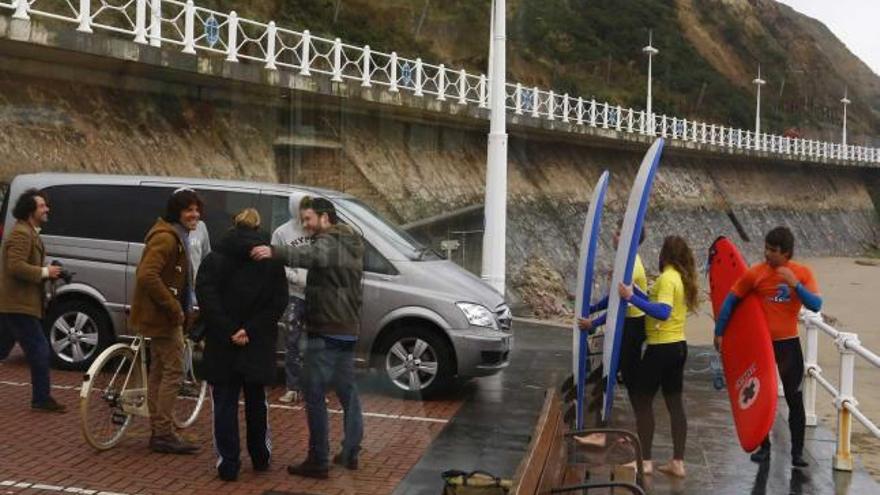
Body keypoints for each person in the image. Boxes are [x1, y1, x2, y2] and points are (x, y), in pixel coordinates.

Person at [251, 196, 364, 479]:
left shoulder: (330, 241)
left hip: (327, 329)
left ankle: (318, 458)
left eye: (309, 219)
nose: (305, 225)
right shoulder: (351, 240)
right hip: (347, 329)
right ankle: (350, 450)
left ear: (325, 218)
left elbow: (311, 256)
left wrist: (273, 251)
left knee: (314, 395)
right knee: (347, 392)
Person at [581, 235, 698, 477]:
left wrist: (631, 298)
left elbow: (663, 312)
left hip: (661, 349)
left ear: (664, 255)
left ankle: (644, 461)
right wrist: (637, 294)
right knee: (674, 404)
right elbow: (657, 304)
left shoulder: (667, 278)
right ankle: (678, 462)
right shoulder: (680, 278)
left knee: (642, 401)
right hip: (678, 347)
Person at [714, 226, 821, 468]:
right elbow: (731, 301)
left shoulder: (802, 273)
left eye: (773, 250)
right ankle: (764, 448)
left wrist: (796, 286)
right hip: (760, 346)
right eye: (766, 248)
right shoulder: (756, 273)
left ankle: (797, 453)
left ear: (786, 253)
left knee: (795, 398)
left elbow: (815, 305)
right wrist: (720, 332)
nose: (767, 253)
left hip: (788, 345)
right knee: (759, 395)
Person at [196, 208, 287, 481]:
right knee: (257, 401)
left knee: (224, 402)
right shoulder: (270, 261)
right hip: (257, 340)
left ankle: (228, 463)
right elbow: (277, 303)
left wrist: (230, 329)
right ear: (258, 227)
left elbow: (207, 299)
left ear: (234, 225)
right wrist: (250, 329)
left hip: (223, 341)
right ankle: (260, 456)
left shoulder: (215, 258)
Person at [129, 187, 203, 455]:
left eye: (196, 210)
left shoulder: (175, 235)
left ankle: (159, 429)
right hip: (162, 317)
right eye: (188, 210)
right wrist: (173, 307)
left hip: (162, 316)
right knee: (173, 371)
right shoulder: (167, 239)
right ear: (177, 213)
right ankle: (162, 432)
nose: (194, 214)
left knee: (159, 371)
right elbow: (147, 275)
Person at [0, 189, 66, 412]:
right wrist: (45, 272)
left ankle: (41, 398)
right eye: (42, 206)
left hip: (15, 304)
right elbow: (15, 266)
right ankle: (41, 399)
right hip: (17, 304)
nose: (47, 209)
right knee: (39, 349)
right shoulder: (21, 233)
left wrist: (49, 272)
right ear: (30, 210)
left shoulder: (29, 232)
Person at [272, 194, 312, 404]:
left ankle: (313, 389)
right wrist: (291, 275)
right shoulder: (282, 232)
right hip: (293, 294)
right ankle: (292, 387)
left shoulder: (314, 228)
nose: (305, 210)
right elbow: (275, 260)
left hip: (315, 294)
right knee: (292, 341)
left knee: (314, 343)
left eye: (308, 205)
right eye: (301, 205)